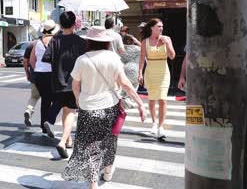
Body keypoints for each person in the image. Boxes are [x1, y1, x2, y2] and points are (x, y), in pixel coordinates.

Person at [62, 26, 146, 188]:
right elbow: (125, 84)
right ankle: (107, 170)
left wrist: (79, 101)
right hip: (109, 107)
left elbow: (75, 86)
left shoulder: (82, 59)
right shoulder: (113, 58)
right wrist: (140, 104)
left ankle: (93, 182)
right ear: (107, 42)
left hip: (88, 109)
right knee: (110, 141)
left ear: (89, 41)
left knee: (91, 147)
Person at [42, 11, 86, 158]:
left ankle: (67, 139)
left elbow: (47, 59)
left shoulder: (54, 40)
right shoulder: (81, 42)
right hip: (74, 82)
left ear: (60, 24)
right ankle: (62, 141)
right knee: (71, 112)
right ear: (74, 24)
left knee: (66, 111)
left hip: (57, 81)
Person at [138, 18, 176, 138]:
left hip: (164, 72)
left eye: (162, 26)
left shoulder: (167, 39)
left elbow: (172, 56)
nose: (161, 28)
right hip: (151, 72)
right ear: (152, 28)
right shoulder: (145, 42)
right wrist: (139, 73)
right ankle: (154, 122)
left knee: (163, 100)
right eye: (158, 26)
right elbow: (142, 59)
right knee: (152, 99)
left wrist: (167, 44)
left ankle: (161, 126)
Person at [29, 19, 61, 135]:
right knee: (57, 99)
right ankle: (49, 121)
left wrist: (38, 69)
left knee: (45, 100)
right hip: (51, 74)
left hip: (39, 74)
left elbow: (32, 61)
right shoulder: (56, 41)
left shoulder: (37, 42)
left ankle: (43, 125)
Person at [23, 41, 41, 126]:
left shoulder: (31, 45)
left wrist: (27, 72)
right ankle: (46, 120)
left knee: (34, 96)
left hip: (34, 75)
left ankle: (28, 110)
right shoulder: (52, 42)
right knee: (47, 99)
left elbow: (25, 61)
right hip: (48, 75)